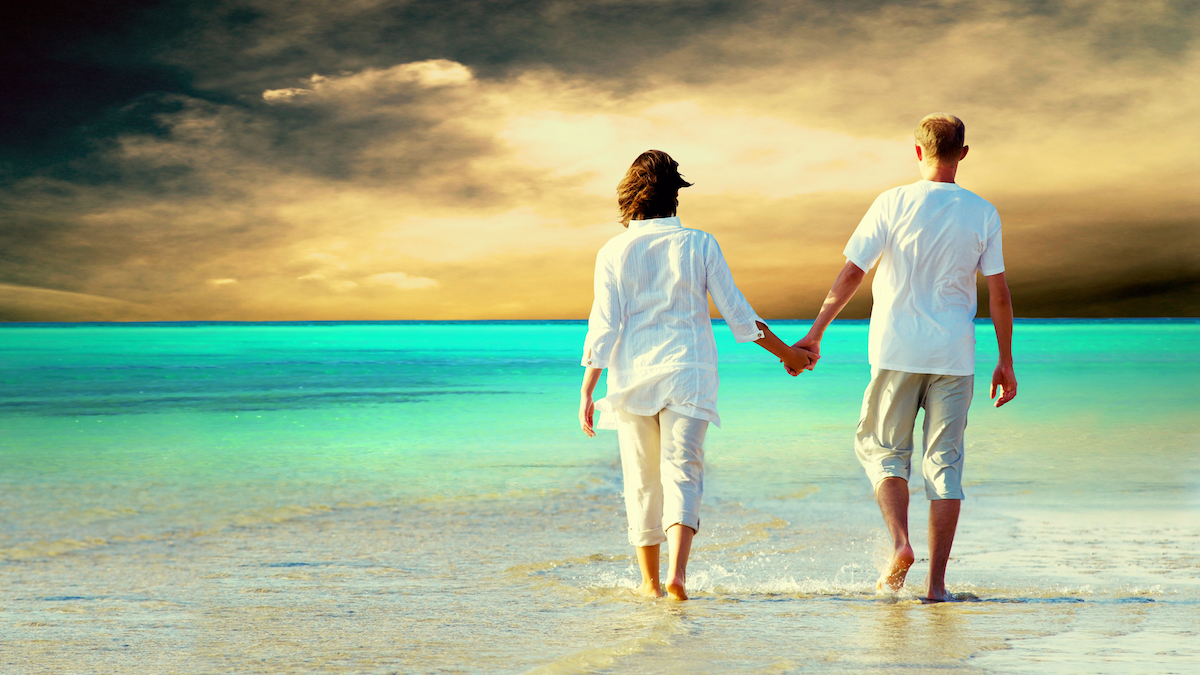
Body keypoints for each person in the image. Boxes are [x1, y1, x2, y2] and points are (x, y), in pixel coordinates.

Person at [791, 114, 1017, 602]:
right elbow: (999, 294)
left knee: (885, 451)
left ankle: (900, 544)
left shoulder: (891, 202)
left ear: (917, 152)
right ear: (963, 153)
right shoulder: (983, 212)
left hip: (895, 350)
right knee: (945, 465)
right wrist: (1006, 360)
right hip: (955, 356)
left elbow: (852, 273)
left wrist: (814, 335)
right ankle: (936, 588)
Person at [578, 149, 816, 601]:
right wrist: (788, 355)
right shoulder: (700, 243)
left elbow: (604, 325)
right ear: (675, 197)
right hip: (689, 374)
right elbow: (739, 317)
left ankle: (649, 584)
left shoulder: (612, 251)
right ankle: (678, 577)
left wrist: (588, 388)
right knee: (682, 473)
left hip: (631, 378)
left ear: (630, 197)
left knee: (641, 480)